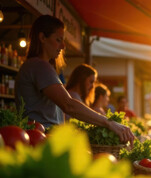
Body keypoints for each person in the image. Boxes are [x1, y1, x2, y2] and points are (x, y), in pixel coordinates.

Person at [14, 15, 134, 146]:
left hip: (40, 139)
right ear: (42, 38)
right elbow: (69, 105)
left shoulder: (35, 66)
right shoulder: (40, 66)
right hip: (41, 142)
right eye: (58, 40)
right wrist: (108, 123)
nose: (63, 46)